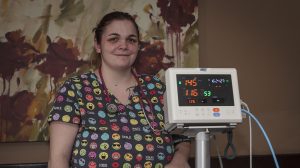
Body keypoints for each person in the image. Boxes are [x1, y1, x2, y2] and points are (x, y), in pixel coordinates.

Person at [47, 11, 191, 168]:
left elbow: (181, 137)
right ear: (97, 45)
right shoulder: (75, 90)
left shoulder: (156, 88)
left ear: (138, 46)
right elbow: (58, 159)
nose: (123, 46)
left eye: (131, 40)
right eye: (113, 39)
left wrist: (180, 160)